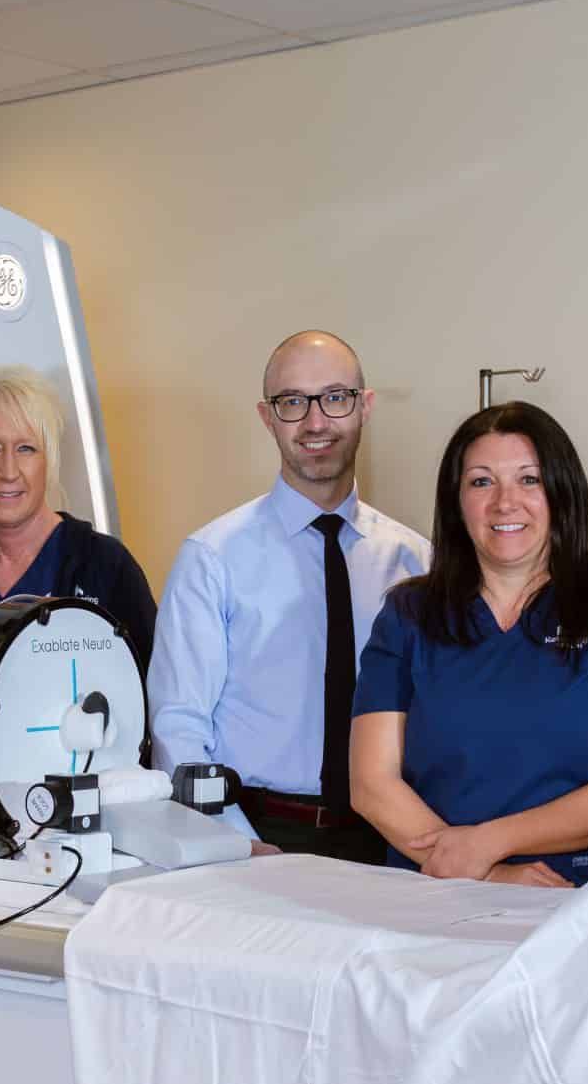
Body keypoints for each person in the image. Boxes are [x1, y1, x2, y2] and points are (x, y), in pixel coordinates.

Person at [351, 402, 588, 886]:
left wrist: (488, 842)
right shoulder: (407, 616)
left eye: (529, 480)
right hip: (434, 897)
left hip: (579, 896)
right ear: (456, 501)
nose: (505, 502)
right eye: (481, 481)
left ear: (562, 493)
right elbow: (373, 785)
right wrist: (485, 873)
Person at [148, 329, 430, 861]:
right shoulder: (212, 558)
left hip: (392, 839)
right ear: (267, 416)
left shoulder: (416, 561)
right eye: (293, 403)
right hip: (258, 834)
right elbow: (178, 727)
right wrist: (236, 844)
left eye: (336, 398)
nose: (316, 422)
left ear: (365, 407)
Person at [0, 365, 158, 666]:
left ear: (49, 462)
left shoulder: (106, 569)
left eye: (26, 449)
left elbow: (152, 691)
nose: (9, 471)